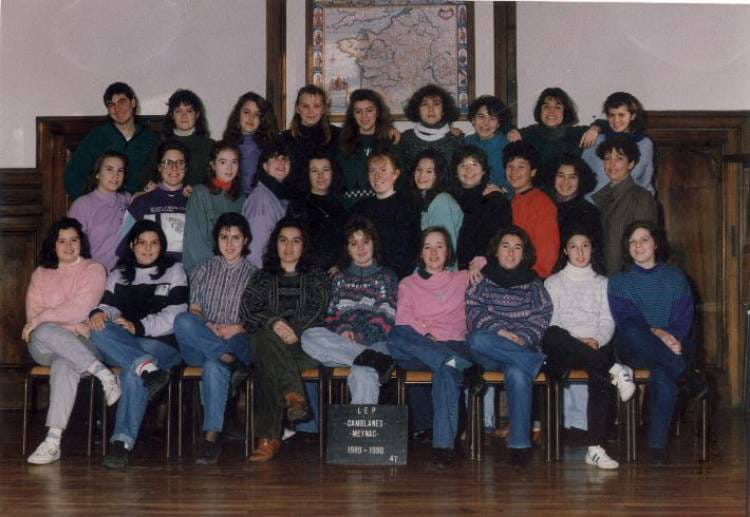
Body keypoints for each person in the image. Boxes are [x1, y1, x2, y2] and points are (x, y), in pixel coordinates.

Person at [89, 220, 188, 469]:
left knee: (133, 372)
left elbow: (175, 316)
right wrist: (99, 313)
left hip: (162, 344)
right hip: (126, 344)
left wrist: (138, 326)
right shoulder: (119, 274)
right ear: (132, 245)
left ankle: (121, 443)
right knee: (96, 328)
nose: (148, 248)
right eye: (142, 242)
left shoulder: (174, 270)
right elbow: (108, 306)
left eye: (154, 243)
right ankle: (146, 367)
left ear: (162, 246)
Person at [23, 218, 121, 465]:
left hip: (81, 345)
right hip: (45, 344)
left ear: (81, 242)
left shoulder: (94, 269)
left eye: (74, 240)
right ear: (53, 245)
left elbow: (82, 308)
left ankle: (52, 441)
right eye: (62, 241)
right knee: (43, 331)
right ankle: (104, 374)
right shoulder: (40, 273)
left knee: (64, 363)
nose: (68, 246)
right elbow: (33, 317)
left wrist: (45, 319)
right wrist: (67, 325)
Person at [609, 220, 707, 465]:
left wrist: (670, 338)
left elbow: (683, 320)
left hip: (669, 348)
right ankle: (687, 374)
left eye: (644, 240)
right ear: (627, 247)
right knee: (630, 330)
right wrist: (660, 334)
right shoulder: (619, 280)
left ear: (655, 244)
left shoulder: (675, 277)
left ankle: (656, 448)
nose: (638, 246)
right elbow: (627, 319)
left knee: (663, 371)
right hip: (633, 348)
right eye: (632, 242)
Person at [541, 226, 635, 470]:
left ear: (592, 250)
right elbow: (552, 321)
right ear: (565, 251)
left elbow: (607, 320)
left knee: (599, 373)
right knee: (551, 333)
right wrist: (578, 341)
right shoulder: (553, 282)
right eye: (574, 246)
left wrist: (597, 341)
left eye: (585, 246)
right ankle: (616, 369)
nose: (580, 252)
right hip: (564, 346)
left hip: (596, 344)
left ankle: (595, 449)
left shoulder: (604, 283)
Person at [388, 227, 479, 468]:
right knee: (396, 334)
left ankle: (443, 448)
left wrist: (476, 265)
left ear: (448, 251)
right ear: (421, 252)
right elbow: (403, 321)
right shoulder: (408, 284)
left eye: (440, 246)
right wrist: (425, 334)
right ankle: (461, 365)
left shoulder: (461, 278)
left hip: (453, 344)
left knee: (445, 371)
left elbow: (487, 259)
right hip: (420, 347)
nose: (433, 252)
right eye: (427, 246)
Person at [239, 219, 329, 461]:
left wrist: (293, 331)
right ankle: (293, 395)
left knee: (266, 362)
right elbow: (247, 310)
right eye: (283, 240)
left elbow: (317, 310)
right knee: (266, 338)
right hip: (269, 342)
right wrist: (275, 323)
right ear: (275, 244)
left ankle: (268, 438)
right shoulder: (262, 277)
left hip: (303, 347)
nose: (289, 246)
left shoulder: (316, 276)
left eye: (295, 241)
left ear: (304, 246)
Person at [466, 226, 552, 467]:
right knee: (475, 339)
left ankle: (520, 446)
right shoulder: (482, 279)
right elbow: (473, 312)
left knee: (517, 373)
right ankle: (537, 362)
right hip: (489, 350)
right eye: (506, 246)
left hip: (518, 349)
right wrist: (501, 332)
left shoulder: (534, 284)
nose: (511, 253)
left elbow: (542, 316)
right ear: (496, 250)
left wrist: (522, 337)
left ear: (524, 253)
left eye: (517, 248)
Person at [174, 213, 254, 464]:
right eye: (223, 237)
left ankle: (210, 438)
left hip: (235, 339)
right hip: (202, 339)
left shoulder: (256, 275)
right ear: (216, 239)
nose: (229, 244)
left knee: (213, 364)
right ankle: (225, 357)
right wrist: (207, 326)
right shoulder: (201, 270)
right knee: (182, 320)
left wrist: (237, 328)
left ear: (245, 240)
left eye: (235, 238)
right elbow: (195, 311)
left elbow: (258, 319)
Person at [301, 217, 398, 403]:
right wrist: (343, 329)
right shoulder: (339, 278)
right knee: (308, 336)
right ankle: (371, 359)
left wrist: (358, 337)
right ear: (347, 249)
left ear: (374, 244)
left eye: (365, 242)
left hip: (376, 344)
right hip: (343, 345)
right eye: (354, 243)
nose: (360, 248)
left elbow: (385, 320)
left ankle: (360, 424)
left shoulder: (387, 277)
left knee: (363, 372)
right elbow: (331, 316)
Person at [64, 82, 159, 198]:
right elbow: (72, 177)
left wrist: (150, 192)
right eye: (111, 105)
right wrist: (91, 202)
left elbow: (162, 175)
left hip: (139, 204)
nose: (117, 109)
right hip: (103, 206)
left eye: (122, 102)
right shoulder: (97, 137)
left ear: (133, 102)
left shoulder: (151, 139)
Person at [591, 134, 658, 274]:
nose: (611, 164)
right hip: (603, 277)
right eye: (607, 158)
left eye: (619, 158)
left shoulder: (641, 197)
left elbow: (643, 249)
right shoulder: (602, 196)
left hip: (628, 278)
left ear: (631, 164)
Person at [507, 87, 600, 187]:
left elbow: (608, 124)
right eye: (546, 107)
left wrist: (595, 128)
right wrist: (511, 130)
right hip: (537, 192)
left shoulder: (575, 133)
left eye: (557, 107)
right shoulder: (529, 133)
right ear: (540, 110)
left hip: (567, 190)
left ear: (565, 111)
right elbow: (501, 127)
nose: (551, 111)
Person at [351, 150, 421, 279]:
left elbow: (408, 252)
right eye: (372, 171)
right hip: (363, 276)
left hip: (394, 278)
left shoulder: (407, 206)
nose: (377, 176)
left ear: (396, 174)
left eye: (383, 170)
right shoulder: (360, 208)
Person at [118, 140, 189, 262]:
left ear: (186, 168)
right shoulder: (140, 202)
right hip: (148, 270)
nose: (174, 168)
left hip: (186, 270)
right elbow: (123, 245)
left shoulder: (195, 201)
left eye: (180, 163)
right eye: (168, 163)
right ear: (159, 167)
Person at [183, 141, 246, 272]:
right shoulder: (200, 193)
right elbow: (195, 242)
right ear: (213, 165)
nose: (229, 168)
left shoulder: (241, 199)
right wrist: (217, 272)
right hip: (203, 269)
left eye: (234, 162)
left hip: (233, 268)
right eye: (223, 162)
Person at [68, 150, 131, 271]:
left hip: (124, 275)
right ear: (97, 174)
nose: (116, 175)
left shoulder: (127, 199)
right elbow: (72, 246)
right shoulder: (82, 205)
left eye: (120, 170)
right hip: (92, 274)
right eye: (109, 169)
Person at [583, 92, 655, 198]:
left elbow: (646, 182)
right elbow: (583, 175)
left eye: (621, 115)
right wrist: (595, 127)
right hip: (593, 202)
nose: (616, 120)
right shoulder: (597, 139)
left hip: (628, 204)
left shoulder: (645, 144)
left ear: (632, 116)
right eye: (612, 115)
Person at [504, 141, 559, 278]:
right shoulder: (508, 200)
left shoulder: (542, 203)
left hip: (527, 278)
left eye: (521, 166)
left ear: (533, 171)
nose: (514, 172)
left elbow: (547, 255)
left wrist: (528, 278)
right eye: (510, 166)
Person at [451, 145, 511, 270]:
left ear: (483, 170)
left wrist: (480, 259)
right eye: (463, 165)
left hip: (482, 268)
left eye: (474, 164)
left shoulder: (495, 198)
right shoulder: (449, 199)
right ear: (456, 172)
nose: (468, 169)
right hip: (452, 269)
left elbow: (499, 239)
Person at [337, 89, 398, 210]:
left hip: (383, 209)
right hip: (350, 210)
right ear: (352, 115)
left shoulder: (390, 141)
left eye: (369, 110)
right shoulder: (342, 143)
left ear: (378, 112)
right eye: (358, 111)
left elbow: (399, 182)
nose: (364, 116)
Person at [287, 152, 347, 273]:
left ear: (333, 173)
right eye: (314, 171)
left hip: (335, 275)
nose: (320, 175)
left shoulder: (340, 206)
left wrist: (339, 265)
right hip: (305, 274)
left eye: (325, 170)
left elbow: (346, 242)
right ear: (307, 174)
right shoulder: (297, 206)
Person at [142, 89, 214, 188]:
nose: (184, 116)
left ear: (197, 114)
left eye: (189, 111)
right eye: (178, 111)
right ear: (172, 115)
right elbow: (146, 176)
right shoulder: (160, 143)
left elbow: (214, 180)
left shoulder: (210, 146)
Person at [396, 84, 463, 186]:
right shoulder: (406, 138)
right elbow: (401, 174)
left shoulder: (456, 139)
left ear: (444, 110)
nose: (431, 109)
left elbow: (459, 176)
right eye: (425, 104)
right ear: (417, 110)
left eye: (436, 104)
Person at [242, 139, 294, 269]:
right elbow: (254, 253)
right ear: (265, 166)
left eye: (285, 158)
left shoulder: (279, 195)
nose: (281, 162)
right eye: (275, 158)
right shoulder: (261, 200)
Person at [280, 85, 341, 195]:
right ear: (297, 109)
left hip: (330, 200)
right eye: (305, 106)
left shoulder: (337, 136)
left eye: (316, 106)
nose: (311, 111)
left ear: (324, 109)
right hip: (295, 200)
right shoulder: (284, 139)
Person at [223, 92, 279, 194]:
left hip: (261, 199)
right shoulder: (226, 145)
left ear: (262, 119)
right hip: (233, 198)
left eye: (257, 114)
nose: (251, 118)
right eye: (246, 112)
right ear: (238, 114)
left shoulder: (270, 146)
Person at [411, 149, 463, 255]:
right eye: (419, 170)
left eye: (429, 171)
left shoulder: (441, 202)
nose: (422, 175)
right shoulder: (423, 198)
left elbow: (444, 248)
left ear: (439, 175)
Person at [464, 95, 512, 195]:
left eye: (492, 118)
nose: (485, 123)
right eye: (481, 117)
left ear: (499, 123)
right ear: (473, 120)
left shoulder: (508, 146)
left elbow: (517, 181)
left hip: (498, 198)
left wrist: (503, 191)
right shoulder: (466, 142)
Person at [552, 153, 603, 246]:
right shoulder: (545, 206)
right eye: (561, 175)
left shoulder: (590, 213)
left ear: (581, 180)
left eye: (572, 177)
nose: (565, 182)